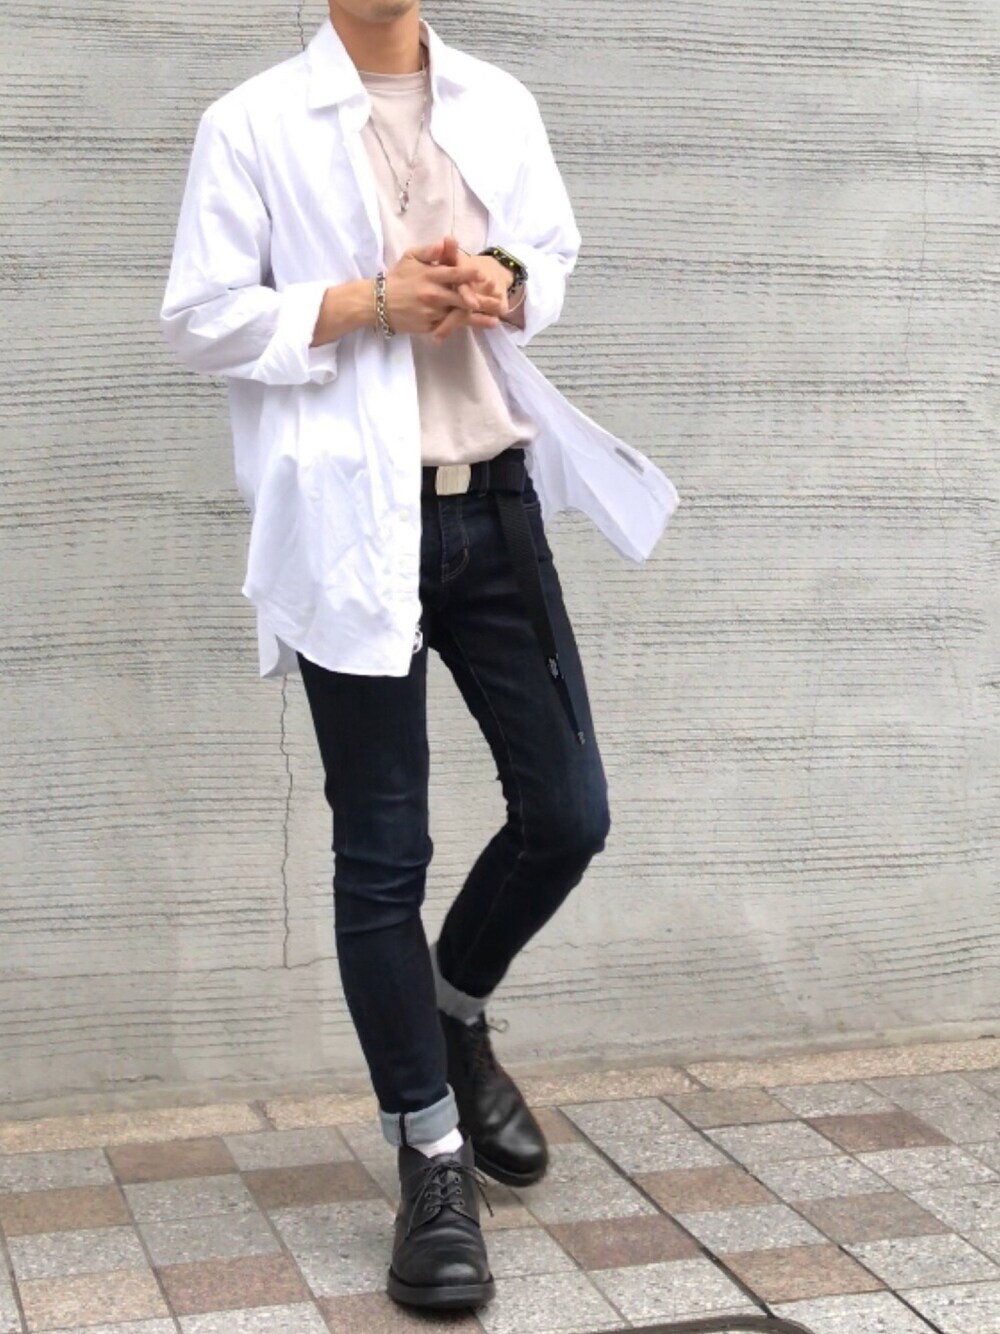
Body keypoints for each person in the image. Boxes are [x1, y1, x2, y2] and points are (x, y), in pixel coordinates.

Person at [160, 0, 678, 1312]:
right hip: (352, 521)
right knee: (382, 851)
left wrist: (510, 279)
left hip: (493, 504)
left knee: (569, 813)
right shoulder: (252, 123)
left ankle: (453, 1008)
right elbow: (199, 317)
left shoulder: (497, 101)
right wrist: (364, 302)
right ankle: (431, 1155)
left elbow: (550, 251)